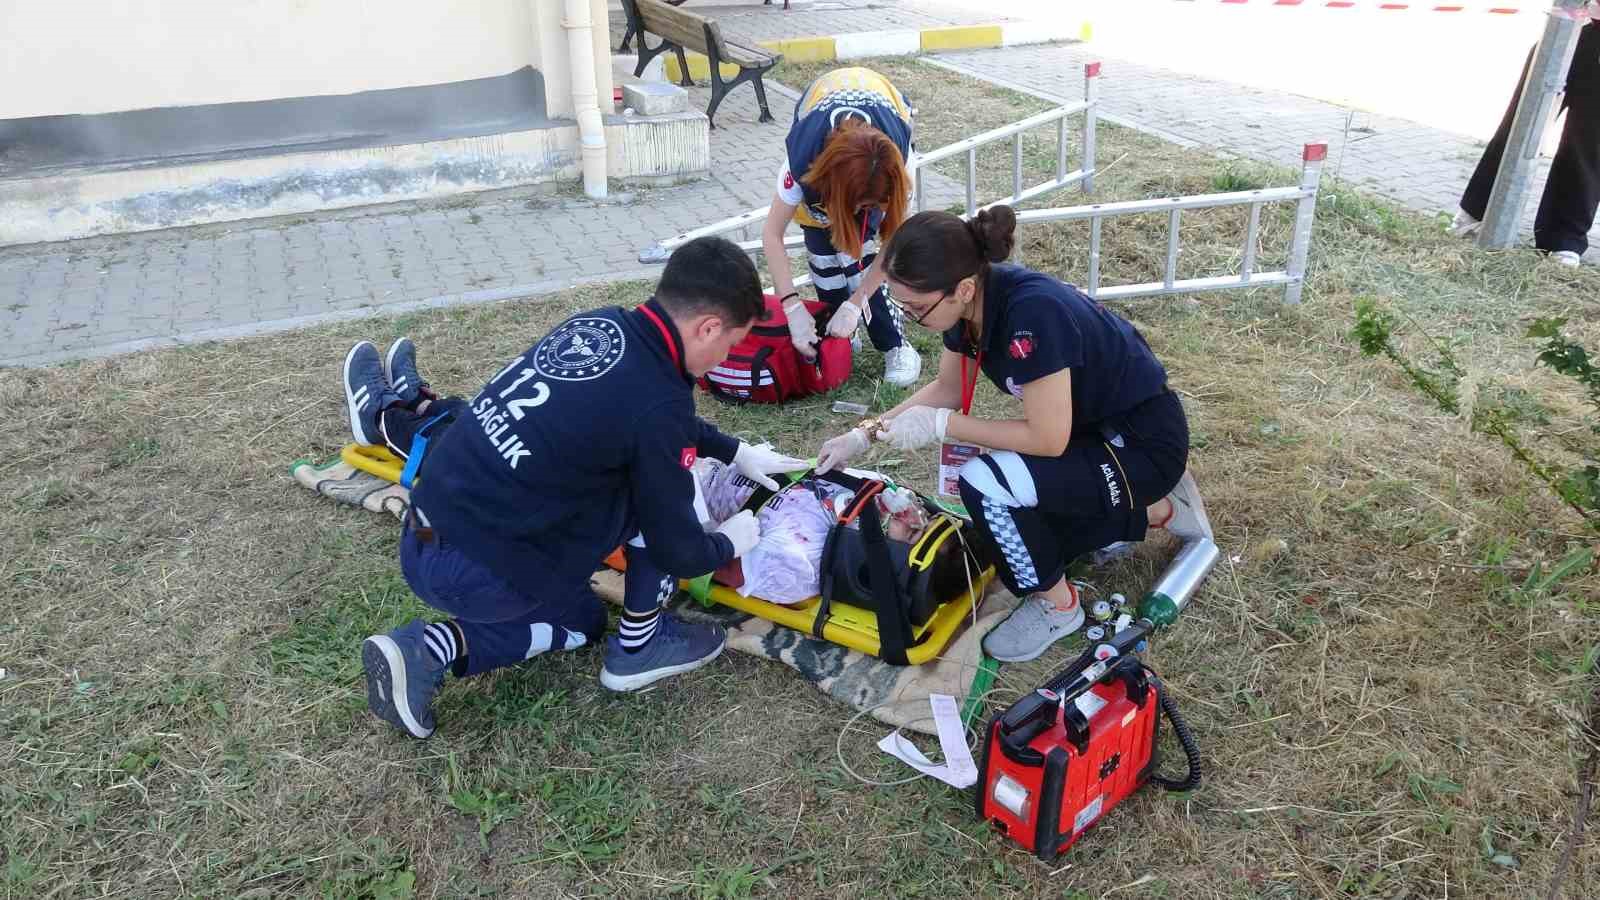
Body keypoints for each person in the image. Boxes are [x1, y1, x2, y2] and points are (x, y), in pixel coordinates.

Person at [343, 236, 809, 739]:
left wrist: (734, 450)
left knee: (583, 622)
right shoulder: (658, 403)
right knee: (653, 493)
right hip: (479, 571)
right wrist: (733, 538)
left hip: (425, 531)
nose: (725, 357)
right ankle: (640, 648)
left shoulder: (601, 324)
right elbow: (679, 548)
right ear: (708, 327)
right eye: (731, 344)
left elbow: (644, 419)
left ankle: (423, 652)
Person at [812, 206, 1212, 663]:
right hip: (1097, 435)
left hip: (1140, 445)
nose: (913, 318)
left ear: (962, 289)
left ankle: (1059, 607)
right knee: (1014, 537)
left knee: (986, 485)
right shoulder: (971, 303)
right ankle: (1158, 511)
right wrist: (865, 434)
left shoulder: (1031, 314)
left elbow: (1047, 440)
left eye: (917, 309)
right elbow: (948, 389)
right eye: (902, 306)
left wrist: (943, 426)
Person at [760, 66, 922, 387]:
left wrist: (859, 299)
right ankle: (840, 338)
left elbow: (894, 245)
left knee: (862, 260)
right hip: (828, 168)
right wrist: (791, 306)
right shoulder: (802, 163)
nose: (860, 212)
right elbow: (772, 234)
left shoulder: (898, 166)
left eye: (869, 207)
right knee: (823, 258)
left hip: (876, 108)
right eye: (857, 206)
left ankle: (895, 345)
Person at [1453, 18, 1599, 267]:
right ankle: (1475, 211)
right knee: (1520, 127)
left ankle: (1563, 239)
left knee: (1589, 144)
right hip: (1569, 30)